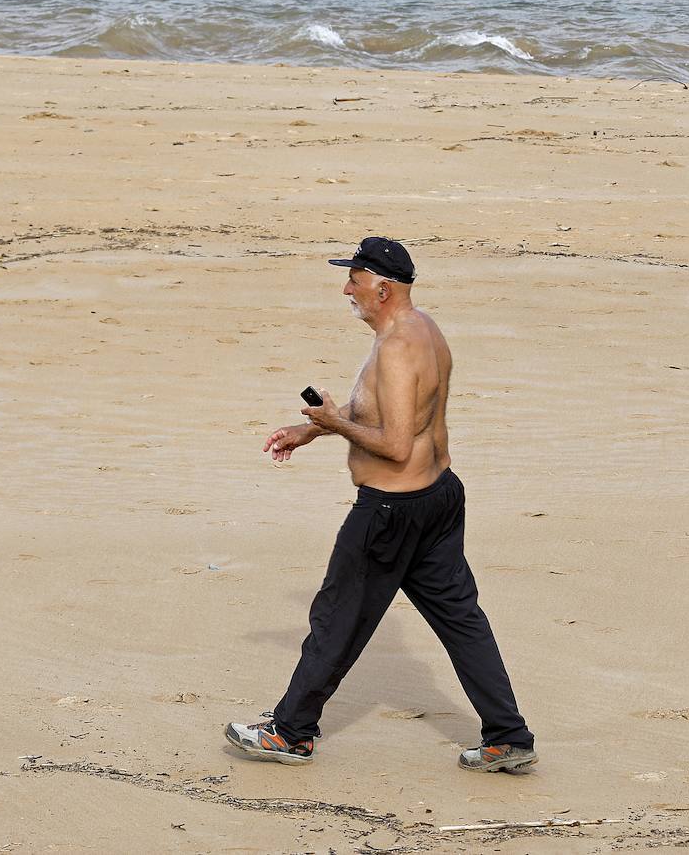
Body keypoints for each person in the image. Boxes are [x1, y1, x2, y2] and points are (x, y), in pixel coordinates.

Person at [225, 236, 537, 772]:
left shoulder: (395, 348)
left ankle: (291, 732)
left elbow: (393, 444)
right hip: (438, 498)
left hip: (391, 511)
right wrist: (311, 431)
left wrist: (332, 423)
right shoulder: (423, 330)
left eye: (356, 280)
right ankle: (509, 737)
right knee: (462, 620)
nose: (347, 289)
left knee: (336, 619)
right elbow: (393, 414)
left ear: (384, 288)